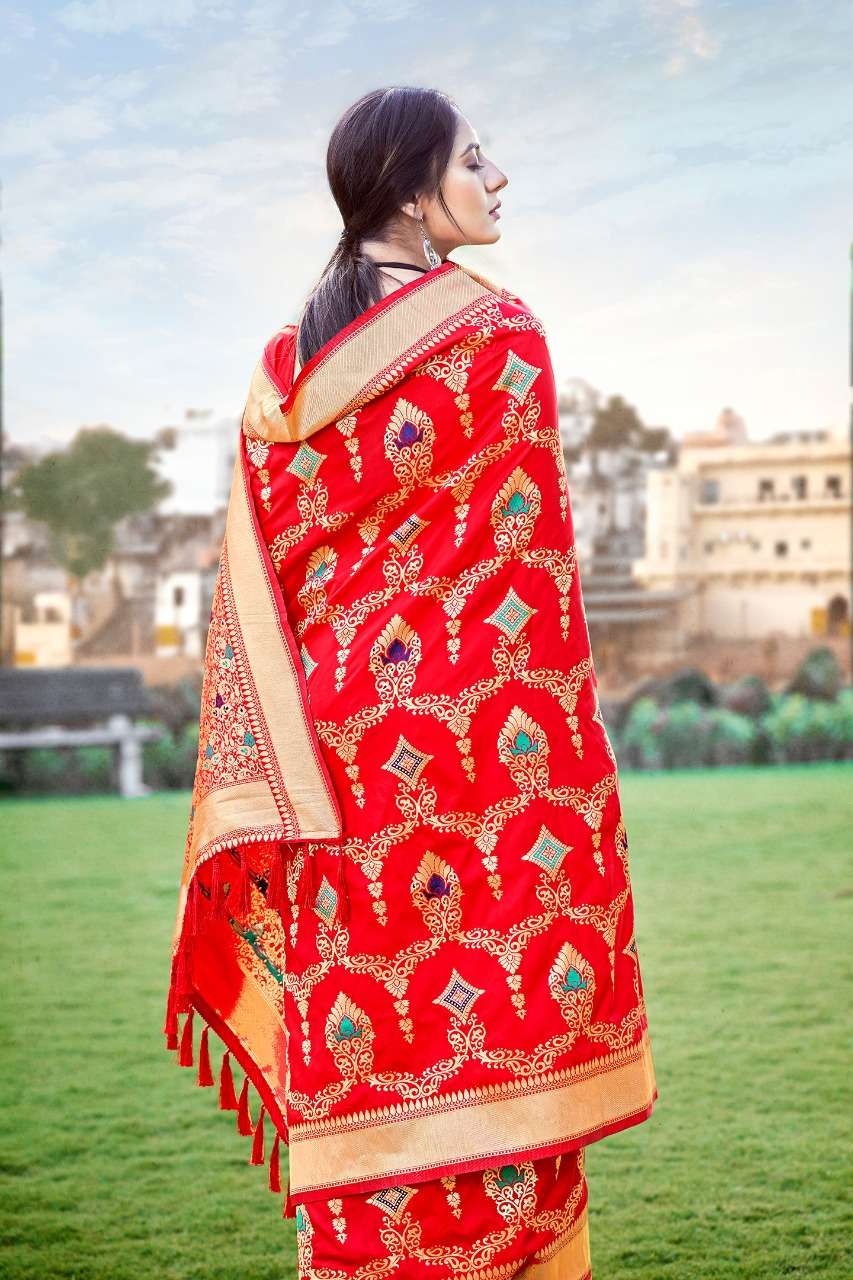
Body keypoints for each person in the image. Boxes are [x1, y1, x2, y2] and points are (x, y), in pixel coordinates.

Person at [164, 85, 657, 1279]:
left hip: (331, 764)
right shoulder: (495, 335)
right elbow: (522, 567)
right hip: (481, 749)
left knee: (370, 1026)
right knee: (502, 1002)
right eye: (474, 160)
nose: (497, 179)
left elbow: (261, 578)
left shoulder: (282, 372)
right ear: (408, 192)